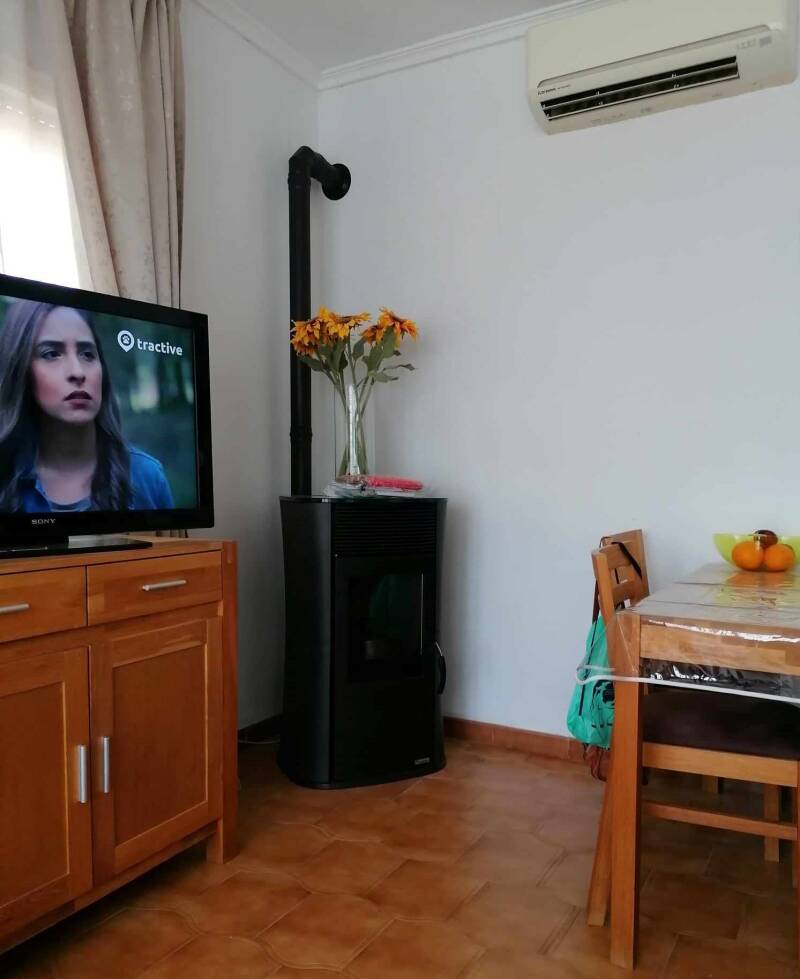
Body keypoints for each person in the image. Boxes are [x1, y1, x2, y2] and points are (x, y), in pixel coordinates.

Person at [0, 300, 174, 512]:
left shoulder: (147, 477)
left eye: (87, 354)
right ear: (20, 370)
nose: (78, 372)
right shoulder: (5, 478)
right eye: (51, 353)